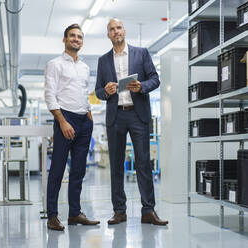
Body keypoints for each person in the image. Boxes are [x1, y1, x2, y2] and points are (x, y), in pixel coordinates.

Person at [95, 18, 168, 226]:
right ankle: (119, 211)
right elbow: (98, 91)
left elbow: (155, 78)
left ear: (124, 31)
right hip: (116, 116)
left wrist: (142, 86)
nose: (116, 31)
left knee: (143, 162)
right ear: (108, 35)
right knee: (116, 165)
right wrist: (106, 91)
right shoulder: (103, 60)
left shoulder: (141, 53)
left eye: (118, 28)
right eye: (111, 29)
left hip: (138, 114)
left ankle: (148, 210)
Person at [44, 23, 100, 231]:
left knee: (79, 170)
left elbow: (84, 93)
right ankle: (52, 216)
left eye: (79, 37)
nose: (76, 39)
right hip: (65, 118)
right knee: (57, 170)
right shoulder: (55, 64)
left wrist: (89, 115)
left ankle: (75, 213)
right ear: (65, 39)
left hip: (84, 120)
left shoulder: (84, 67)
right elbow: (50, 95)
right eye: (72, 36)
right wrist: (62, 120)